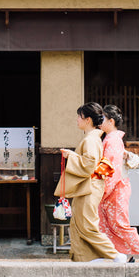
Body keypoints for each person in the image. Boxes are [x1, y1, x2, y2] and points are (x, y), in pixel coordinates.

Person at [55, 102, 127, 264]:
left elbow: (89, 164)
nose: (77, 120)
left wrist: (71, 156)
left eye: (79, 117)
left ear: (87, 120)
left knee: (86, 225)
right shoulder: (92, 138)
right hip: (88, 188)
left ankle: (115, 255)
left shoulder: (90, 140)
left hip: (89, 188)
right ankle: (88, 258)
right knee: (78, 224)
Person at [97, 104, 139, 264]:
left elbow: (111, 167)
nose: (100, 121)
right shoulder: (110, 139)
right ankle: (116, 254)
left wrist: (104, 189)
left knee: (118, 223)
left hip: (115, 188)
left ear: (111, 121)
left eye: (103, 118)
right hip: (114, 187)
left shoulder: (112, 140)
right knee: (107, 223)